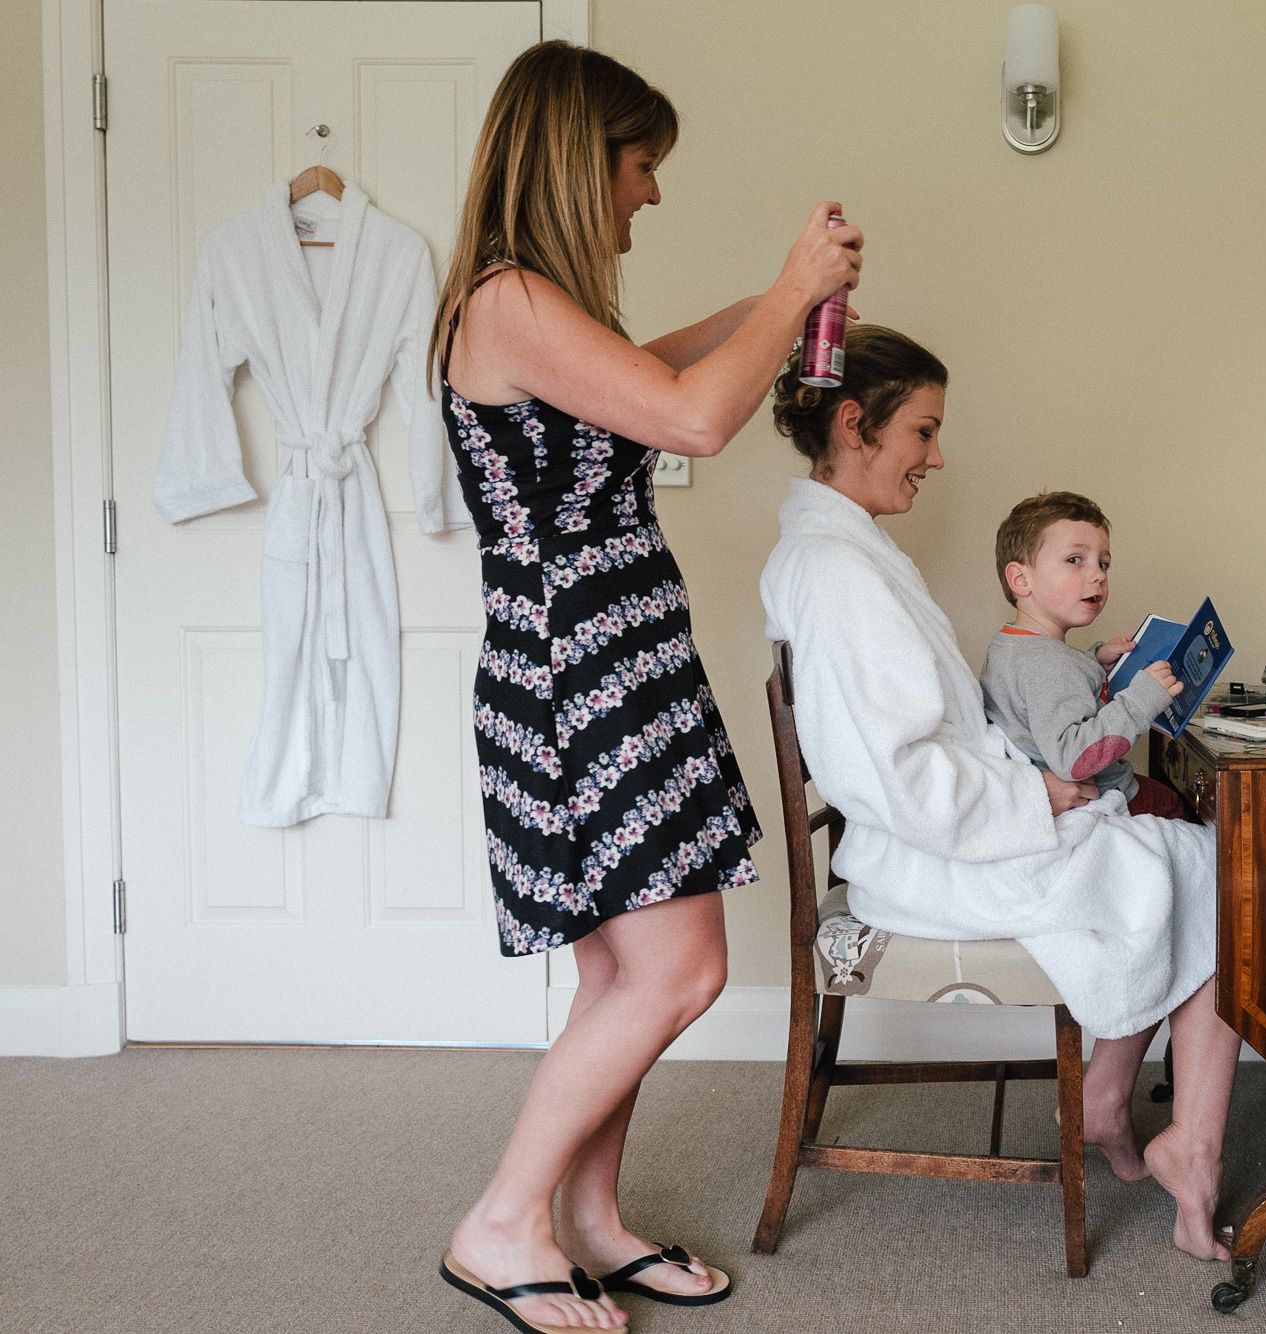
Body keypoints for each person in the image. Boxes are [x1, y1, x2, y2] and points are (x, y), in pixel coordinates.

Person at [432, 41, 861, 1334]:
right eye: (640, 166)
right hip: (584, 679)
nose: (650, 195)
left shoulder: (538, 311)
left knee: (622, 972)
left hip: (612, 665)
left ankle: (593, 1222)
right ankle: (503, 1217)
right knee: (674, 974)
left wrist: (772, 303)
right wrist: (789, 293)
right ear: (580, 159)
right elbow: (686, 417)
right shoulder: (505, 300)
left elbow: (662, 376)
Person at [759, 325, 1238, 1262]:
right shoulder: (835, 572)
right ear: (856, 424)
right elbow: (890, 773)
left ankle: (1121, 1105)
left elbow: (942, 729)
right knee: (1224, 875)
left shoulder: (852, 557)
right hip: (938, 855)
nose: (937, 458)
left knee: (1189, 858)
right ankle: (1182, 1139)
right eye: (924, 432)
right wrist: (1040, 800)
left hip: (955, 828)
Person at [981, 491, 1194, 820]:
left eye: (1103, 563)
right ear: (1021, 580)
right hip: (1106, 795)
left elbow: (1042, 699)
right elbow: (1073, 759)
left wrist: (1093, 661)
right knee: (1190, 813)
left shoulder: (1013, 645)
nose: (1098, 574)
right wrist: (1140, 701)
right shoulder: (1049, 664)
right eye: (1075, 560)